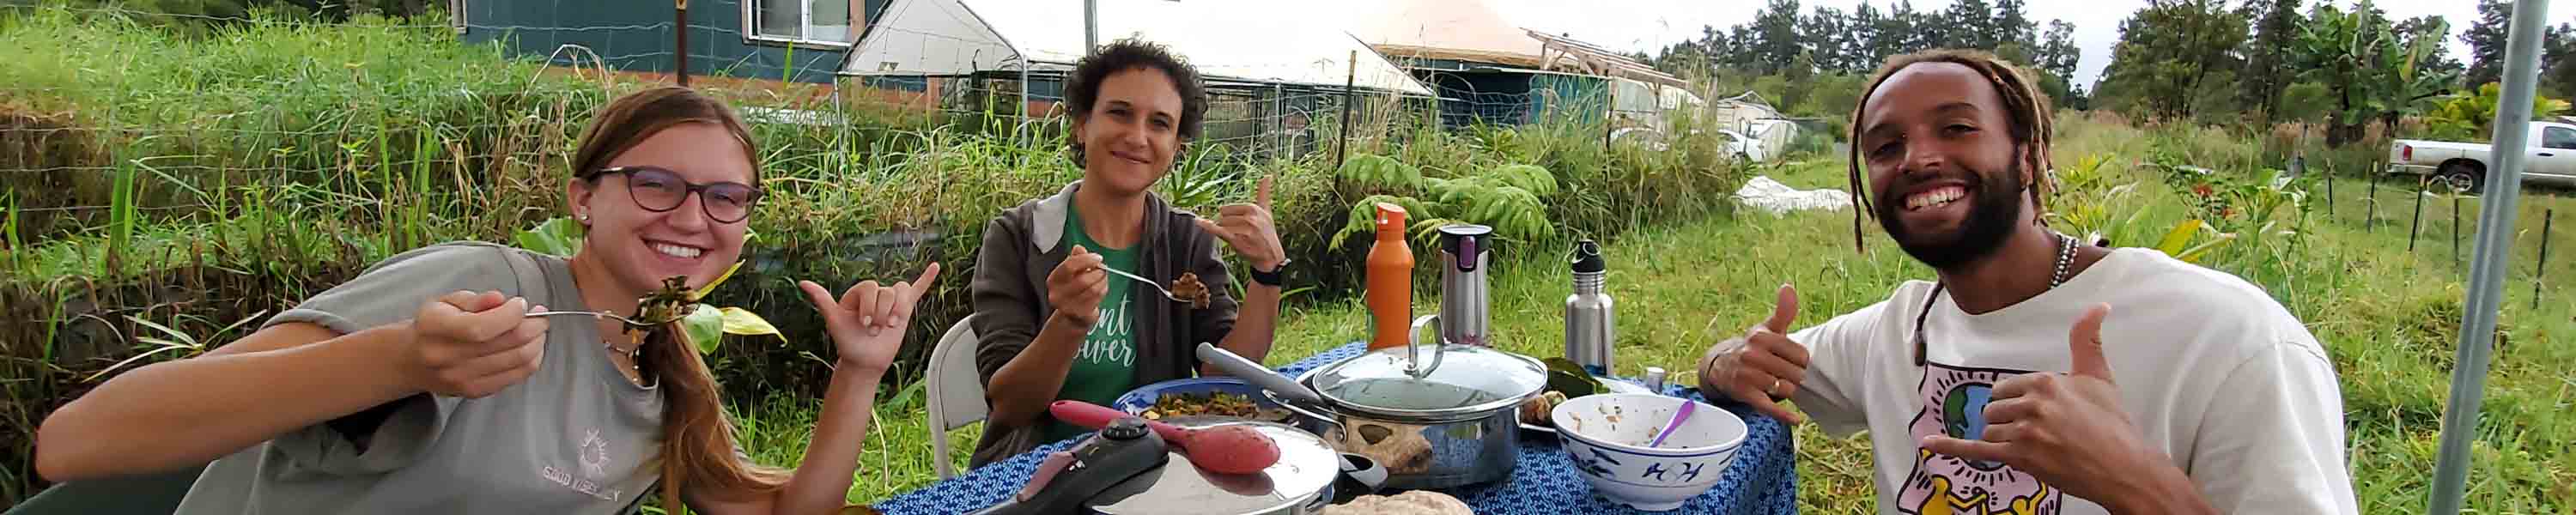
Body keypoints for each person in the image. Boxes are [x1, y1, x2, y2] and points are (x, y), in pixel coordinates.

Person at [33, 86, 942, 515]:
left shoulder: (660, 377)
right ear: (584, 198)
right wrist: (398, 361)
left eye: (725, 197)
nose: (694, 218)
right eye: (657, 183)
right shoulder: (490, 287)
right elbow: (79, 440)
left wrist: (860, 371)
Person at [1694, 50, 2357, 515]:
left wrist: (2133, 484)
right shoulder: (1898, 328)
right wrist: (1728, 361)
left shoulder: (2227, 337)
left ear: (2032, 156)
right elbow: (1741, 364)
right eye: (1886, 147)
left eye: (1957, 128)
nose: (1919, 159)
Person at [968, 39, 1285, 465]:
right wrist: (1069, 322)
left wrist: (1267, 273)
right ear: (1082, 125)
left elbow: (1222, 374)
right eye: (1119, 113)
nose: (1137, 137)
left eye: (1159, 123)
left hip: (1151, 465)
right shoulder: (1021, 237)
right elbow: (1010, 406)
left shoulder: (1184, 240)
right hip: (1035, 472)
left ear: (1175, 147)